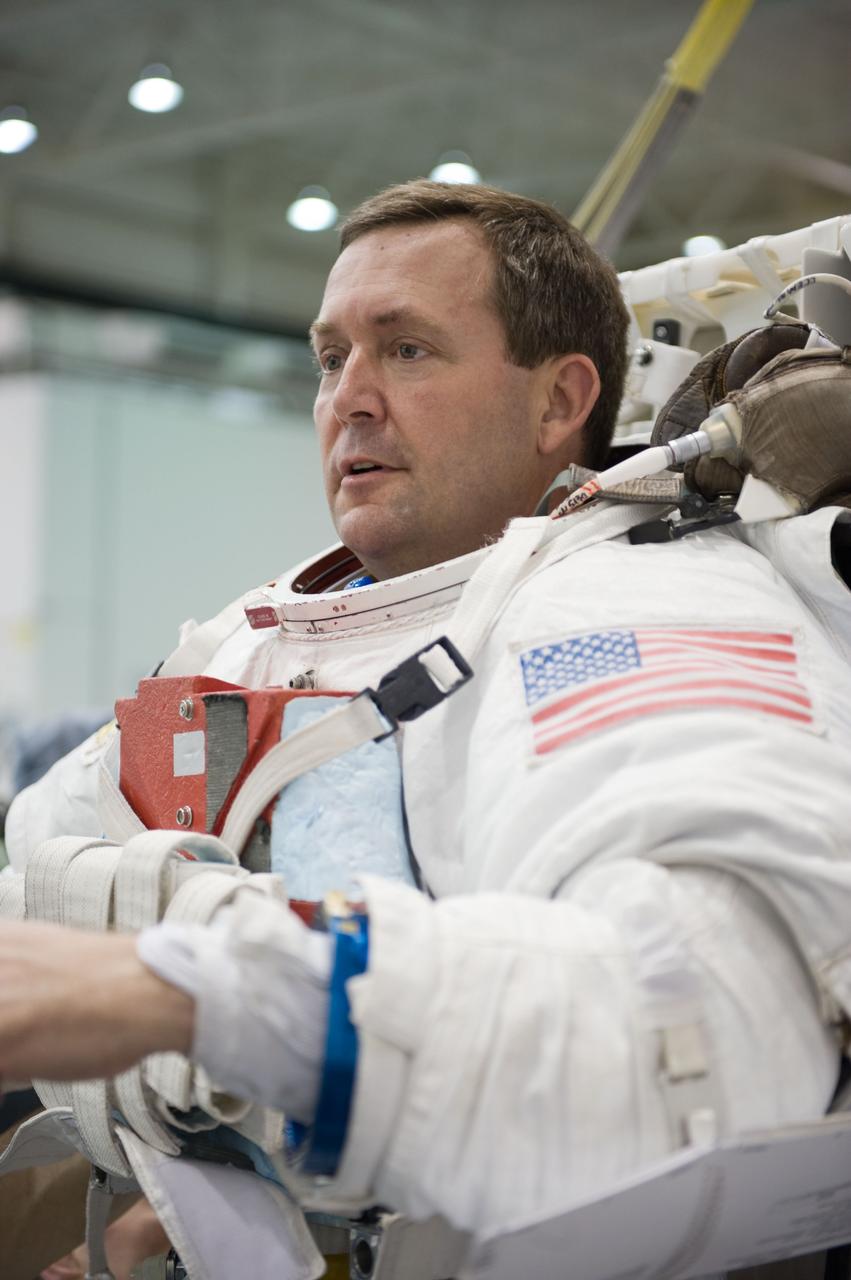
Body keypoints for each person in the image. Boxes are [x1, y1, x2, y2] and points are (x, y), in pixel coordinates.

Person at [3, 180, 851, 1280]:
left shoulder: (630, 603)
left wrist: (186, 990)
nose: (348, 397)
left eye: (403, 350)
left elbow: (701, 1040)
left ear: (558, 404)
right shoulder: (242, 640)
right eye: (329, 357)